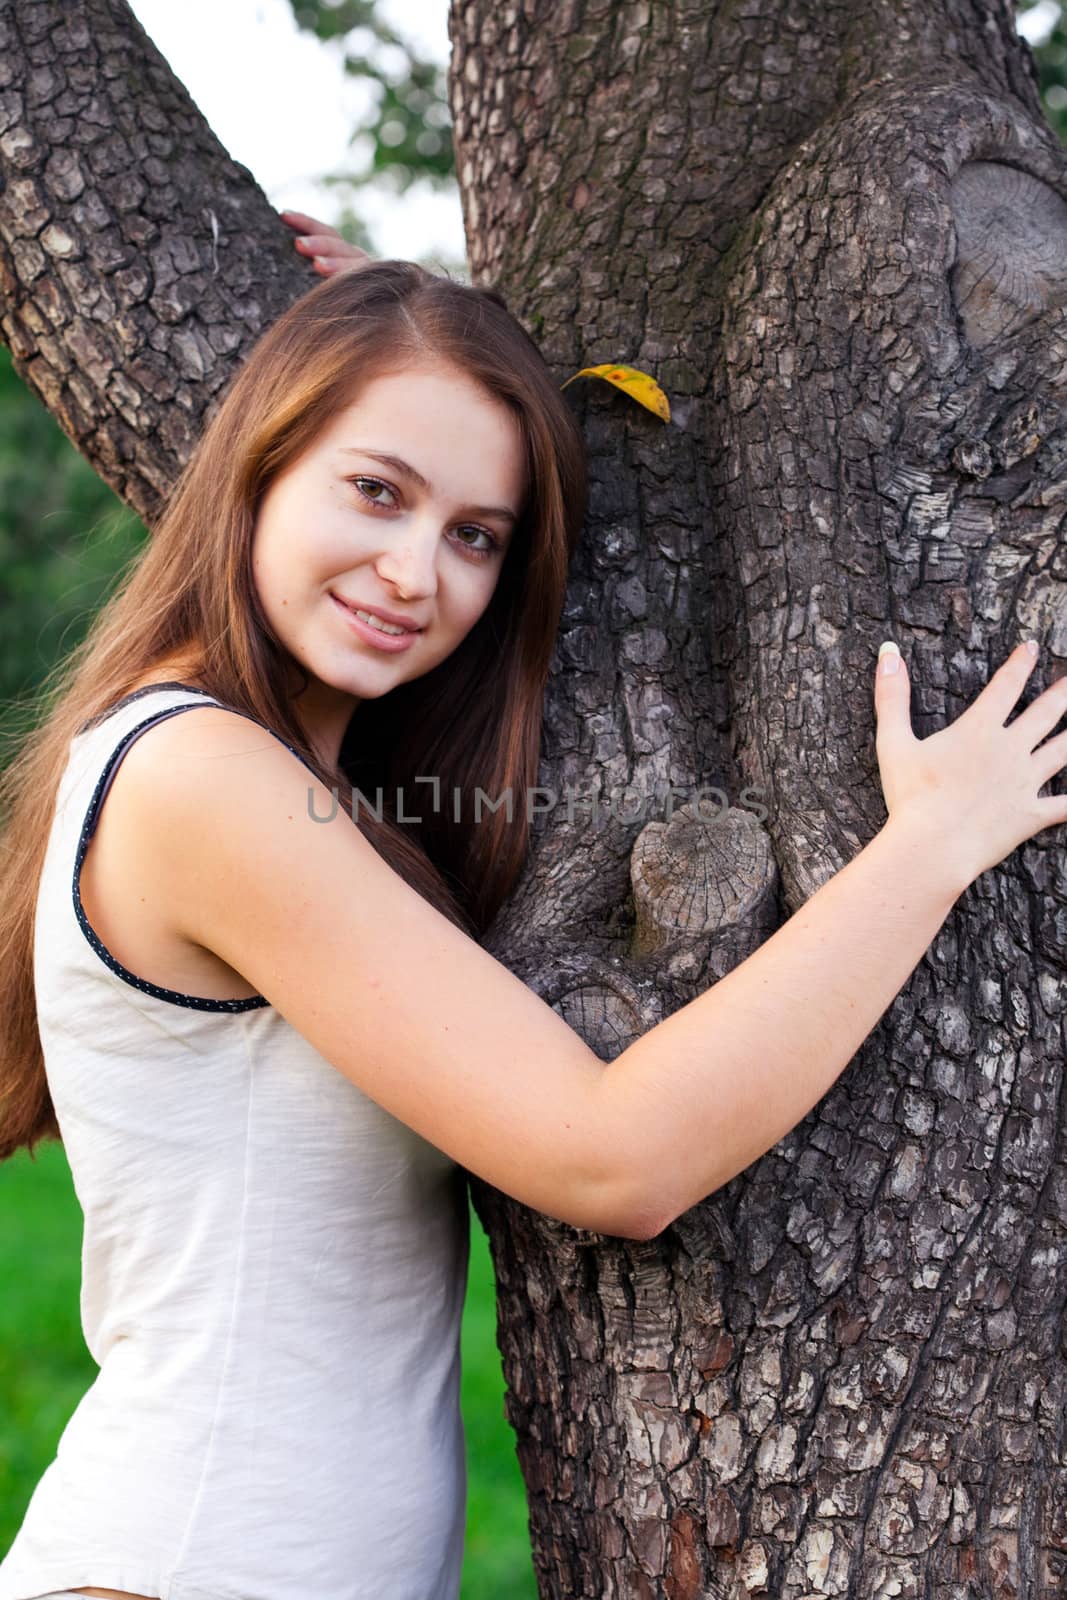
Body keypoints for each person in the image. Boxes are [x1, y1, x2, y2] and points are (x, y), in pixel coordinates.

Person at [0, 213, 1064, 1600]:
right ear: (262, 463)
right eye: (373, 491)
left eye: (476, 533)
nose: (414, 573)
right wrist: (930, 847)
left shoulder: (307, 790)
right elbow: (610, 1160)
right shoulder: (201, 779)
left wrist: (420, 310)